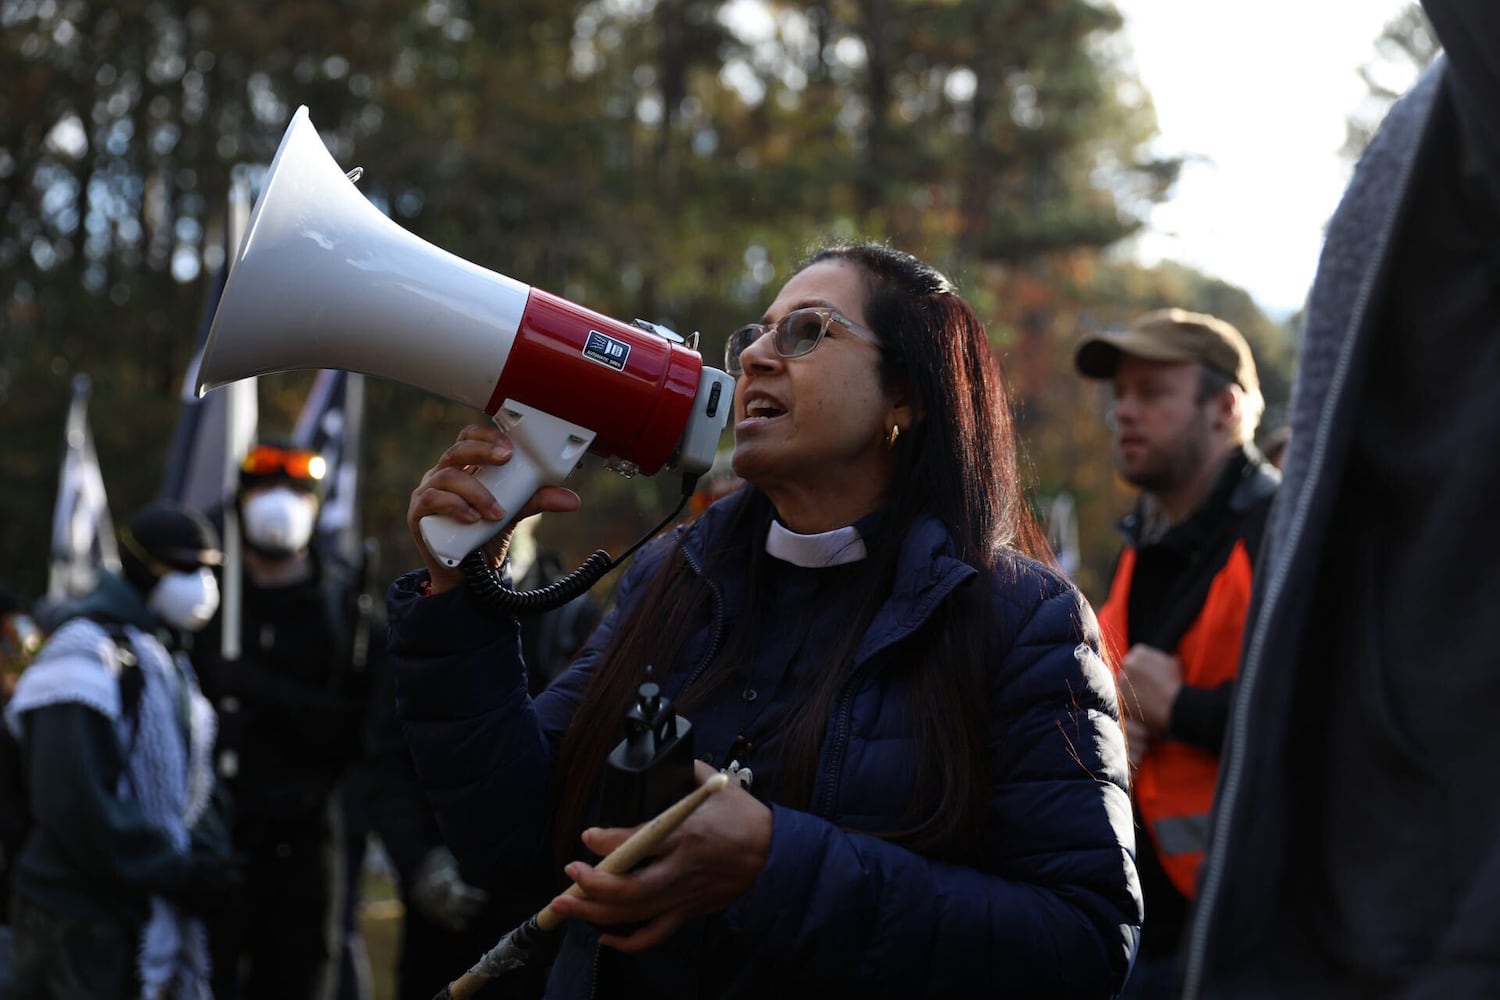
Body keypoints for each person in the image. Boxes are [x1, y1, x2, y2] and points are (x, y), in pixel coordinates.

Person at [387, 242, 1142, 998]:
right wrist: (460, 593)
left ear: (906, 396)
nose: (755, 360)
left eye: (808, 332)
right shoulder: (670, 578)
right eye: (754, 337)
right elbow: (513, 840)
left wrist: (776, 865)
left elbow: (1083, 942)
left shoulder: (1023, 620)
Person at [1181, 3, 1500, 997]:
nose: (1120, 416)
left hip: (1438, 919)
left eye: (1151, 390)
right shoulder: (1422, 126)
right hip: (1331, 913)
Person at [1072, 308, 1279, 997]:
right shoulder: (1145, 545)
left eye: (1152, 393)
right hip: (1140, 927)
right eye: (1120, 395)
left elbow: (1332, 720)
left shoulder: (1282, 537)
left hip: (1255, 933)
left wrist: (1181, 709)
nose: (1123, 413)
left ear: (1224, 408)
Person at [3, 501, 239, 998]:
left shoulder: (163, 654)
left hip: (137, 913)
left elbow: (192, 784)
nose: (201, 583)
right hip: (76, 920)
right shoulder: (81, 654)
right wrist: (172, 868)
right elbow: (71, 798)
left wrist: (210, 857)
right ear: (140, 566)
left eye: (209, 569)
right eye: (186, 567)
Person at [195, 441, 377, 1000]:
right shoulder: (205, 594)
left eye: (297, 490)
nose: (280, 502)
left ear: (317, 504)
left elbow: (356, 727)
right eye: (264, 487)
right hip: (214, 832)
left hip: (306, 839)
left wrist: (257, 690)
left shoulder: (346, 606)